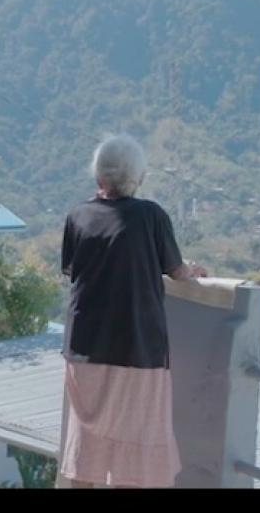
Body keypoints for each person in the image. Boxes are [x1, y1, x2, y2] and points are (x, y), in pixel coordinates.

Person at [55, 134, 206, 489]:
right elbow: (177, 272)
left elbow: (71, 272)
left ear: (98, 175)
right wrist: (193, 269)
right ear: (137, 176)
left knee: (86, 448)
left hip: (84, 349)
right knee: (134, 453)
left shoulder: (78, 215)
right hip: (137, 348)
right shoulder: (150, 215)